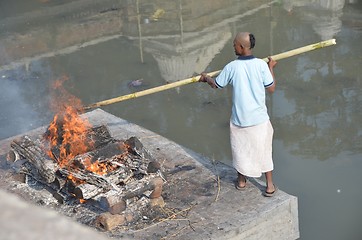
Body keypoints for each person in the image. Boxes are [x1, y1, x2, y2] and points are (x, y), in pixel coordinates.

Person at [199, 32, 278, 197]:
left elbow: (217, 86)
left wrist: (206, 79)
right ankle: (269, 186)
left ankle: (241, 181)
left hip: (240, 120)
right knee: (264, 151)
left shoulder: (231, 67)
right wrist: (271, 67)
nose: (233, 46)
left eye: (235, 44)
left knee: (240, 150)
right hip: (260, 120)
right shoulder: (261, 65)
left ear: (242, 47)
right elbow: (271, 88)